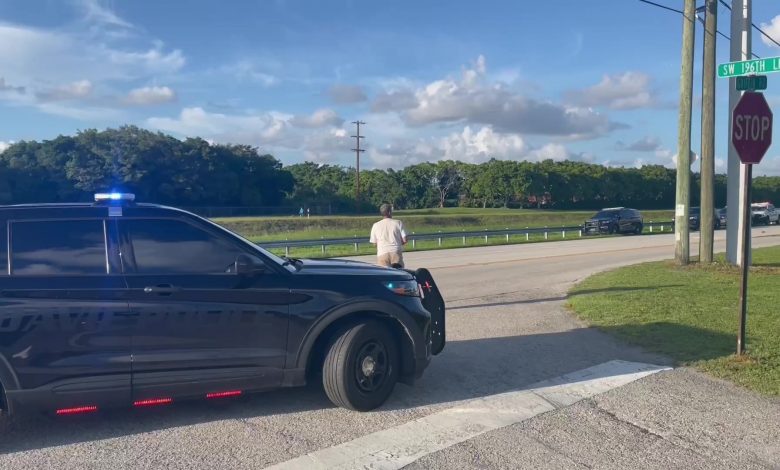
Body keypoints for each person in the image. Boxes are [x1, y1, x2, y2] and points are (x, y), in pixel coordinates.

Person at [369, 203, 408, 268]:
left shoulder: (375, 225)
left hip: (382, 253)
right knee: (398, 274)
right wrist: (398, 243)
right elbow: (405, 240)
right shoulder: (398, 223)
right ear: (389, 212)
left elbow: (374, 244)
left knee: (385, 275)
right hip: (395, 252)